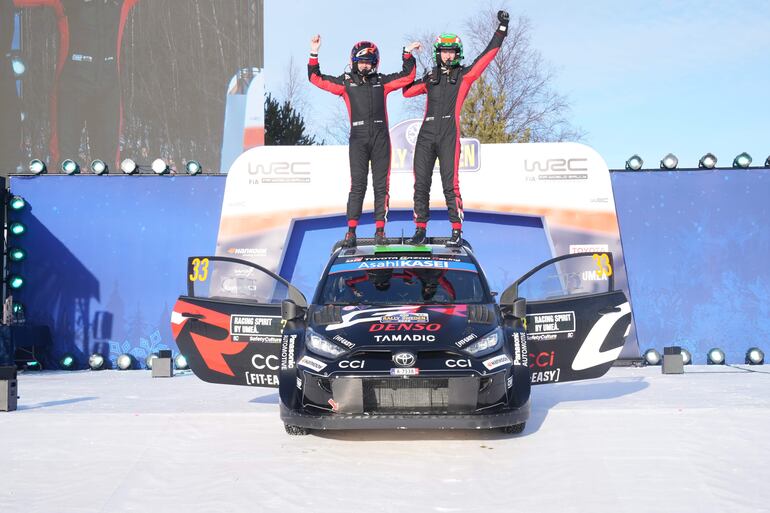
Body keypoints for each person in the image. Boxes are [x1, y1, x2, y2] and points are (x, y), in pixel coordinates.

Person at [403, 10, 509, 246]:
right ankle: (419, 229)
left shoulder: (464, 75)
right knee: (421, 183)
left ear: (457, 53)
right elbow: (407, 91)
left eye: (451, 51)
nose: (448, 56)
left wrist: (501, 29)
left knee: (450, 184)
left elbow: (487, 56)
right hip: (426, 134)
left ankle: (456, 230)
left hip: (449, 133)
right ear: (438, 53)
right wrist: (408, 57)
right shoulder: (430, 76)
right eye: (444, 51)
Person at [308, 35, 421, 247]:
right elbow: (316, 78)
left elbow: (408, 76)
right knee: (358, 186)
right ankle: (351, 232)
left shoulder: (382, 82)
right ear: (353, 62)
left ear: (375, 64)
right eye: (361, 62)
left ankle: (380, 231)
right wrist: (314, 52)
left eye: (369, 63)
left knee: (381, 187)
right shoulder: (345, 83)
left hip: (381, 139)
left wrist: (407, 53)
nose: (365, 66)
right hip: (358, 140)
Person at [14, 0, 138, 170]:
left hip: (108, 89)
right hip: (71, 89)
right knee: (64, 162)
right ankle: (60, 192)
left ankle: (108, 194)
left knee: (107, 165)